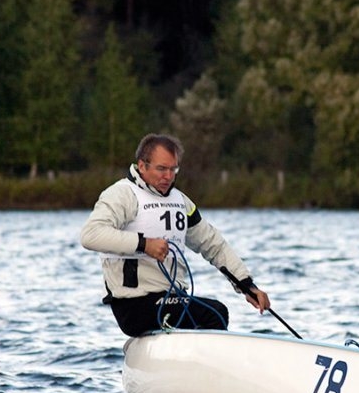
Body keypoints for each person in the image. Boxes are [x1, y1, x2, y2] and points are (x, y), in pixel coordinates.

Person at [80, 133, 271, 337]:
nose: (168, 176)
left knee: (210, 312)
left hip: (171, 299)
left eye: (173, 169)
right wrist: (144, 244)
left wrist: (247, 286)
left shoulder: (180, 201)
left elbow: (212, 244)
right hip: (133, 305)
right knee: (215, 313)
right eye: (162, 169)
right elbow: (91, 235)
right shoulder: (122, 194)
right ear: (142, 166)